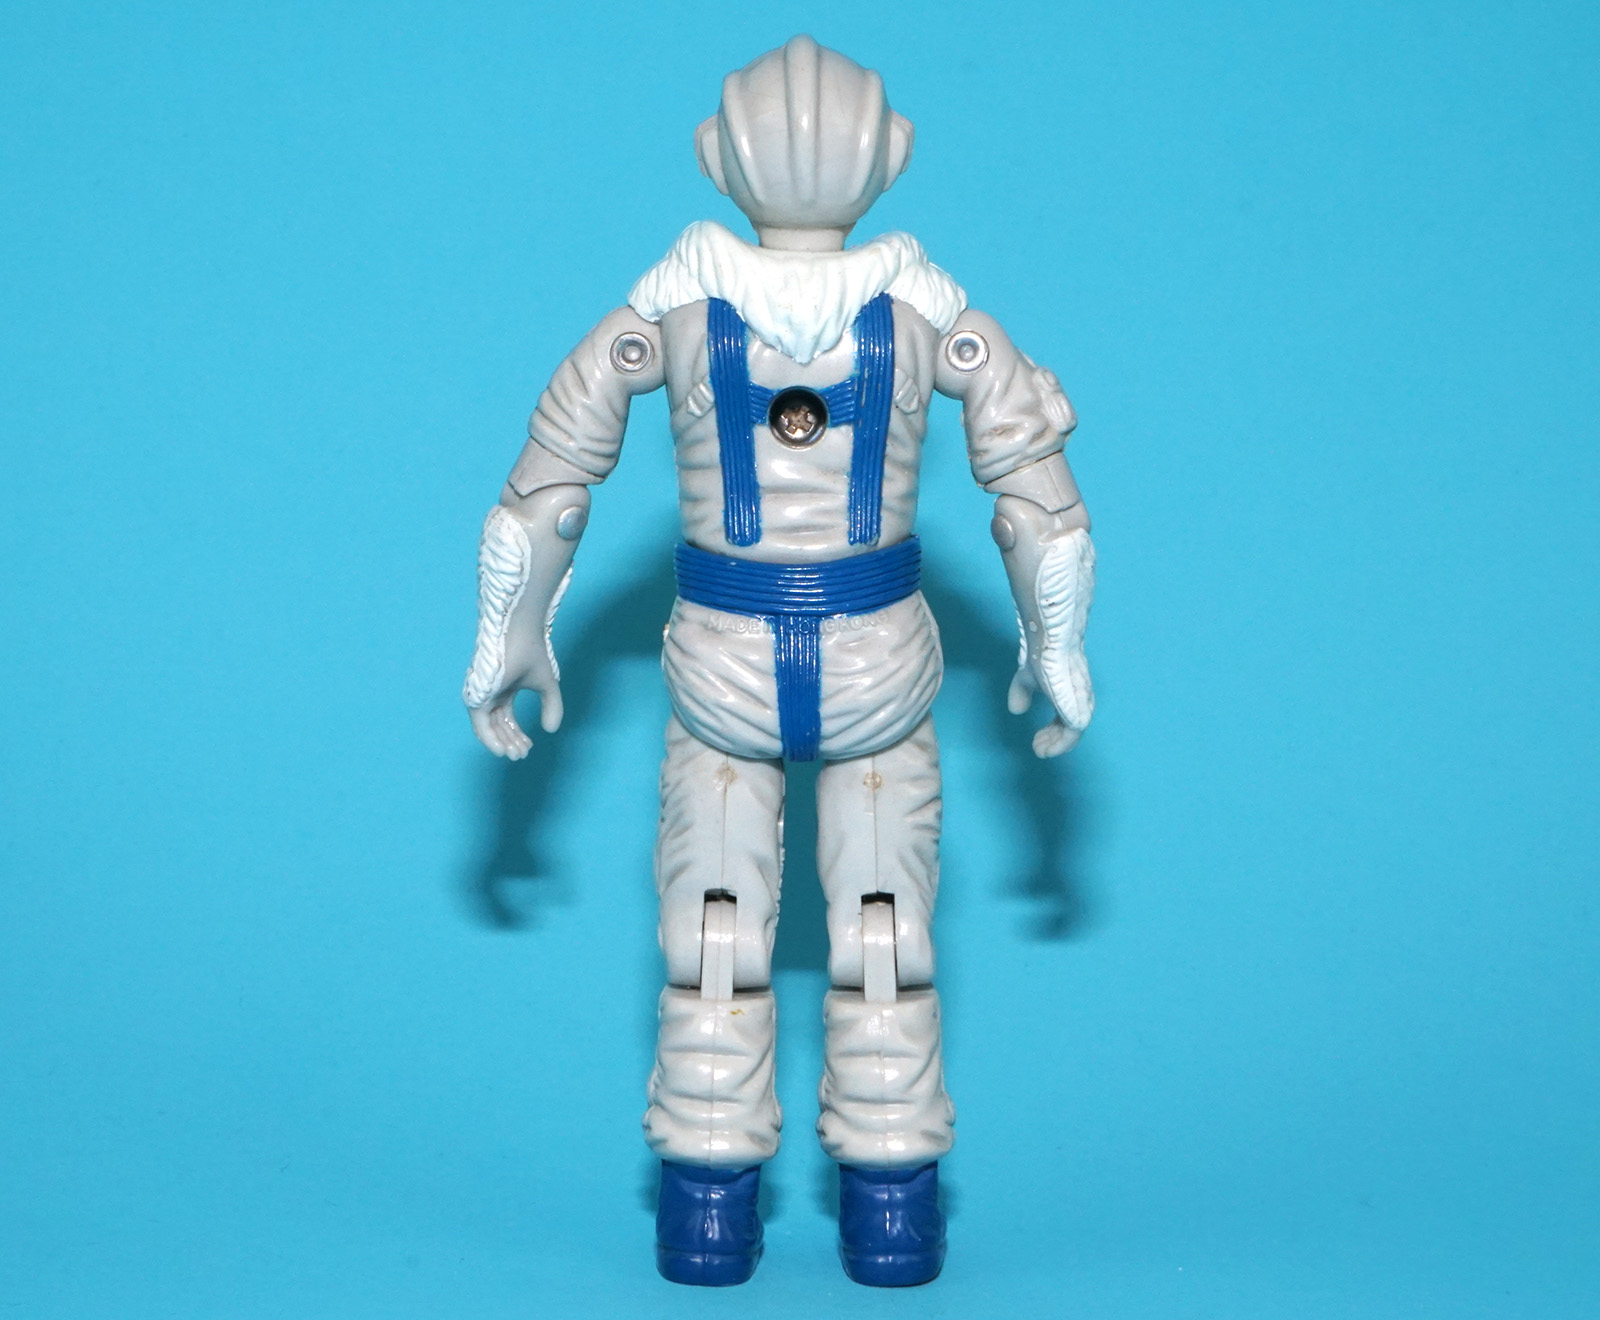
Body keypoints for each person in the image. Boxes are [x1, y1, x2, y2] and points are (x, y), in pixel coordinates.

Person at [463, 34, 1095, 1288]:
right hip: (873, 669)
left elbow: (552, 485)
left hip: (727, 670)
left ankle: (705, 1209)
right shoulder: (936, 323)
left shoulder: (666, 318)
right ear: (891, 157)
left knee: (715, 938)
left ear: (716, 159)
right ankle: (891, 1211)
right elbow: (1035, 500)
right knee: (883, 939)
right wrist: (1056, 642)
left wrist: (510, 631)